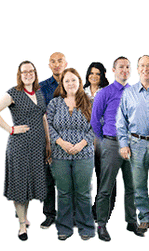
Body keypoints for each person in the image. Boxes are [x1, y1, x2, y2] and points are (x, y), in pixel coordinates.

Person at [0, 60, 51, 241]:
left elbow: (43, 118)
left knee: (30, 183)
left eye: (31, 71)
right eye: (24, 72)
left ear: (35, 73)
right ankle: (22, 224)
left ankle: (23, 215)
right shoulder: (14, 93)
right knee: (20, 184)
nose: (28, 74)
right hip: (20, 147)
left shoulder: (38, 92)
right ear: (20, 75)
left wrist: (47, 142)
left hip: (37, 146)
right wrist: (10, 129)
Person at [116, 55, 149, 237]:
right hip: (136, 144)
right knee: (138, 184)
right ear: (137, 70)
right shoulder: (128, 93)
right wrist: (123, 144)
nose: (145, 68)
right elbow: (121, 121)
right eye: (141, 66)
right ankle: (144, 217)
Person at [91, 57, 138, 241]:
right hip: (111, 143)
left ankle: (131, 221)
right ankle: (102, 225)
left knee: (132, 186)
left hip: (132, 144)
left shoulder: (134, 91)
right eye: (121, 67)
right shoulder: (105, 92)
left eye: (127, 67)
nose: (124, 70)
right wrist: (105, 140)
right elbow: (95, 121)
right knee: (106, 187)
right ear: (113, 70)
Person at [46, 68, 96, 241]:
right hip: (60, 155)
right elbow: (49, 127)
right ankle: (64, 228)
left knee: (83, 192)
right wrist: (62, 142)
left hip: (84, 155)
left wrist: (81, 144)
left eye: (73, 80)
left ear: (80, 82)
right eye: (67, 81)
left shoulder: (89, 101)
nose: (70, 83)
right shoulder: (54, 103)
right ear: (62, 84)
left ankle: (86, 227)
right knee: (64, 192)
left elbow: (96, 127)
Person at [37, 52, 68, 229]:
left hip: (71, 140)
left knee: (68, 180)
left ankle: (68, 214)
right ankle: (49, 214)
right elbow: (40, 115)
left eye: (60, 61)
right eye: (53, 62)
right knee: (48, 179)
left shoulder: (72, 82)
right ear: (49, 65)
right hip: (48, 139)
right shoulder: (42, 87)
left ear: (66, 63)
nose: (57, 64)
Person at [84, 61, 116, 223]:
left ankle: (104, 209)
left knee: (105, 175)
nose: (94, 76)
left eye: (98, 73)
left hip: (103, 139)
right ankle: (90, 209)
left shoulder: (107, 92)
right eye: (92, 73)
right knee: (86, 177)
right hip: (84, 141)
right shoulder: (80, 92)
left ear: (103, 76)